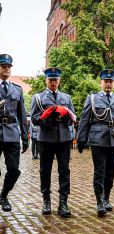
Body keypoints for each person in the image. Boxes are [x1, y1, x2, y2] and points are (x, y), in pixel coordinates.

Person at [77, 69, 114, 216]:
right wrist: (81, 139)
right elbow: (85, 119)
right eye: (105, 81)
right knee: (99, 171)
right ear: (101, 82)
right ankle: (99, 201)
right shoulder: (93, 98)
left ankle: (106, 198)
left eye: (110, 82)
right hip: (98, 140)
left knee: (110, 172)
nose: (108, 84)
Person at [30, 67, 75, 217]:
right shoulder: (39, 97)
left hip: (63, 139)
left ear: (59, 81)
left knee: (64, 171)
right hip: (46, 139)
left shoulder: (66, 98)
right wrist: (48, 119)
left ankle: (63, 202)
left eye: (56, 80)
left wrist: (64, 117)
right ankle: (46, 201)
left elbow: (72, 118)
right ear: (46, 81)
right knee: (45, 170)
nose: (53, 82)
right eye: (51, 80)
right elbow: (35, 119)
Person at [0, 54, 29, 212]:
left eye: (9, 66)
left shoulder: (17, 89)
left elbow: (22, 115)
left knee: (14, 169)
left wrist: (25, 137)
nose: (7, 69)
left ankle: (4, 195)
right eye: (4, 66)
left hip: (12, 133)